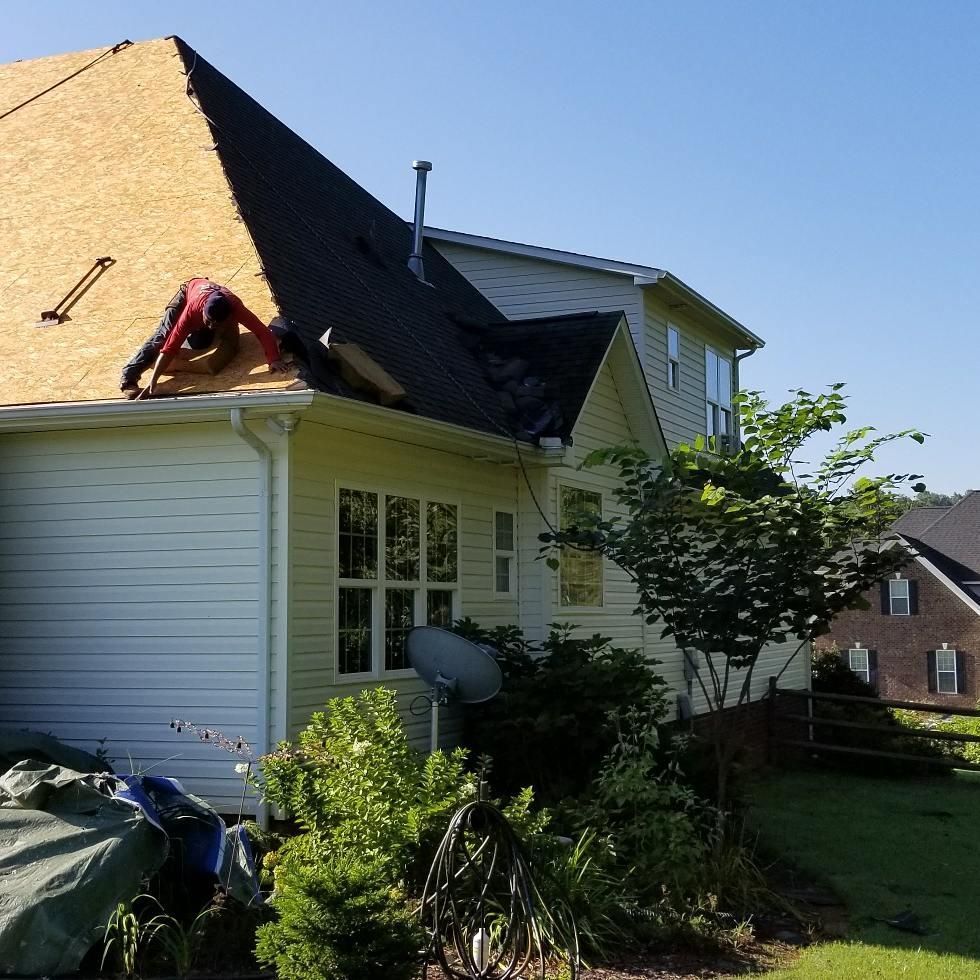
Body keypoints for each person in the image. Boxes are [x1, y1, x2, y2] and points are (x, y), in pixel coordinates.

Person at [120, 278, 288, 398]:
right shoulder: (192, 310)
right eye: (209, 322)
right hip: (187, 293)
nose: (212, 326)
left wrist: (274, 358)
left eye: (217, 324)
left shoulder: (235, 306)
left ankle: (194, 339)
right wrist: (153, 382)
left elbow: (262, 331)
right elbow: (169, 347)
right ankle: (128, 377)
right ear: (203, 314)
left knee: (202, 342)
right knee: (163, 336)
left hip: (209, 306)